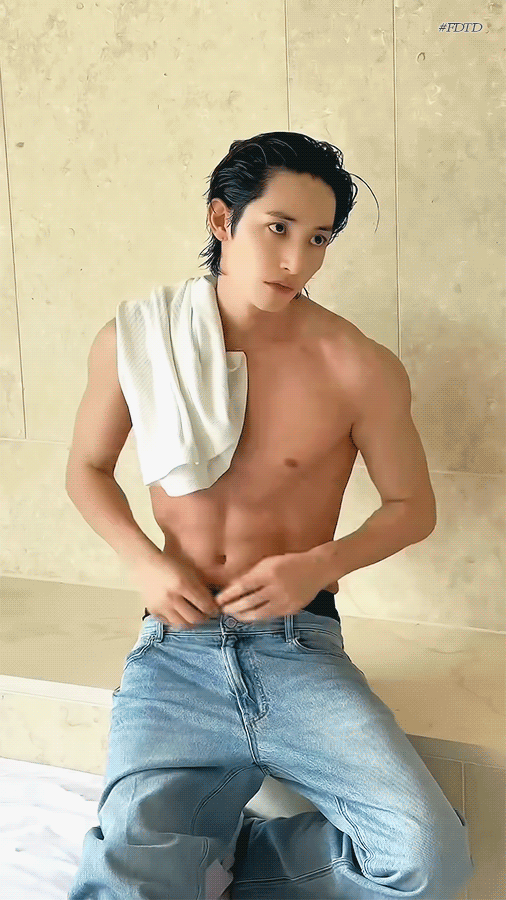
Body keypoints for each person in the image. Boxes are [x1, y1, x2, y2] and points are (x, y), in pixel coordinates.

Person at [66, 132, 473, 899]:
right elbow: (86, 470)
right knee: (123, 885)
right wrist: (143, 561)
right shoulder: (137, 340)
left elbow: (412, 508)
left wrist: (320, 563)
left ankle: (224, 858)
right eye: (277, 228)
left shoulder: (358, 365)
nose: (296, 260)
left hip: (299, 644)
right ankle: (181, 857)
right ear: (223, 219)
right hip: (177, 646)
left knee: (428, 861)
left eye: (317, 239)